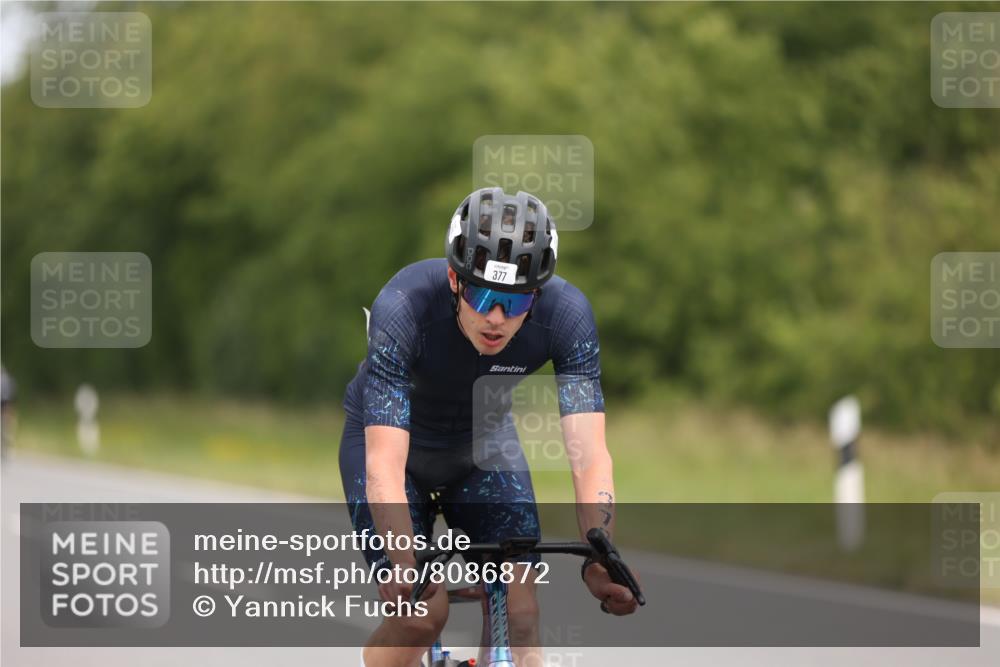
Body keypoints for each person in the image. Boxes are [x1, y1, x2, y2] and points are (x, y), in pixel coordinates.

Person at [340, 187, 638, 667]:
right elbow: (384, 462)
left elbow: (590, 454)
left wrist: (599, 552)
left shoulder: (569, 316)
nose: (496, 318)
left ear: (537, 295)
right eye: (483, 295)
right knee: (422, 614)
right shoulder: (404, 305)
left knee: (521, 612)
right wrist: (402, 563)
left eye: (516, 303)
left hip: (483, 446)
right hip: (397, 453)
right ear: (456, 282)